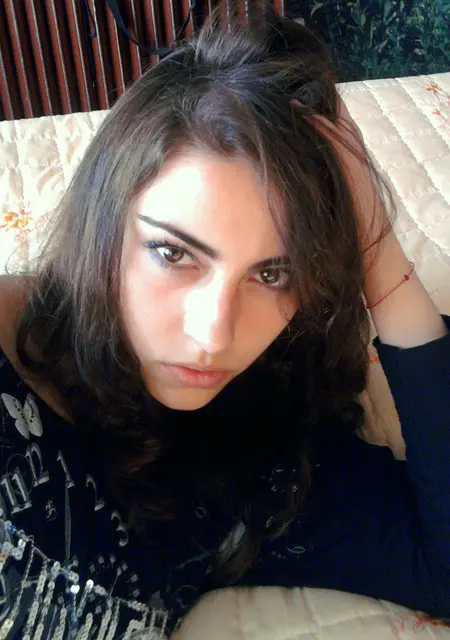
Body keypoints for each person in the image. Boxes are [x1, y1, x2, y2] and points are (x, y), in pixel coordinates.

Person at [0, 4, 449, 638]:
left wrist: (377, 250)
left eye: (273, 274)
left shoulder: (261, 449)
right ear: (104, 222)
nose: (213, 337)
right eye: (173, 254)